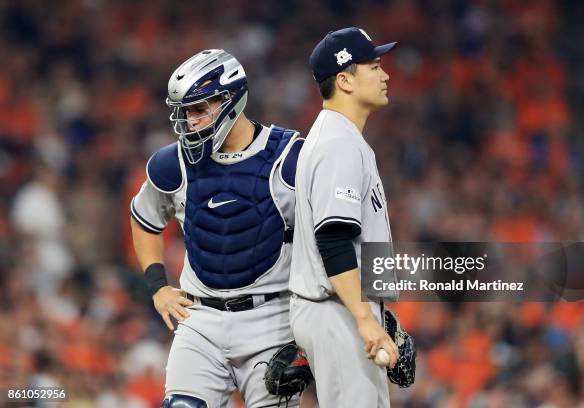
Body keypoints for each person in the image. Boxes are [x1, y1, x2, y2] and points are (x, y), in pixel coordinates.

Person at [130, 49, 306, 408]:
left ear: (231, 99)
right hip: (201, 318)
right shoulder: (173, 162)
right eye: (185, 112)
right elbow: (144, 219)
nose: (190, 121)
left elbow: (329, 240)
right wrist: (158, 286)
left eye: (199, 109)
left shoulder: (291, 157)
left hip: (273, 321)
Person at [289, 27, 400, 407]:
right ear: (345, 80)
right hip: (336, 311)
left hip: (342, 307)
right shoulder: (338, 144)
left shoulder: (339, 138)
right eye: (374, 66)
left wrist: (380, 315)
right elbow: (334, 238)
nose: (384, 75)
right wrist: (365, 319)